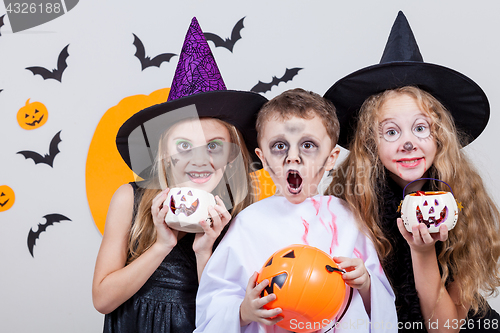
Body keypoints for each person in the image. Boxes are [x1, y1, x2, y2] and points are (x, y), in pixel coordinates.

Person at [324, 11, 500, 333]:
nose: (408, 143)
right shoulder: (347, 203)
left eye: (421, 128)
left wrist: (422, 252)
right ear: (370, 143)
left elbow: (443, 327)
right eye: (391, 132)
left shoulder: (465, 199)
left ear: (440, 137)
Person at [91, 17, 267, 333]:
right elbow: (103, 299)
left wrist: (205, 251)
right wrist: (161, 244)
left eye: (214, 146)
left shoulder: (240, 216)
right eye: (184, 146)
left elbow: (225, 316)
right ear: (164, 154)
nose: (199, 159)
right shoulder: (130, 199)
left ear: (231, 157)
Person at [195, 88, 397, 333]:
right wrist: (243, 312)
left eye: (308, 145)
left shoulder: (346, 218)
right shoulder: (248, 223)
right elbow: (215, 301)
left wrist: (365, 284)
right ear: (263, 158)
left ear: (331, 158)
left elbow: (381, 309)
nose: (293, 157)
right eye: (280, 146)